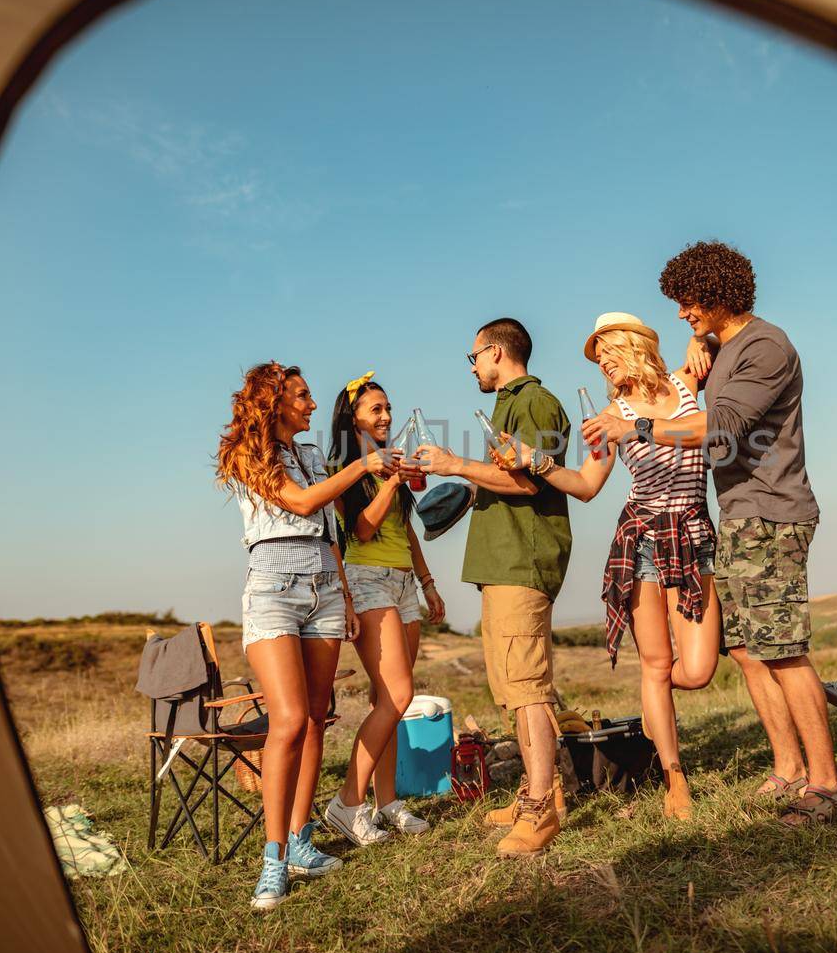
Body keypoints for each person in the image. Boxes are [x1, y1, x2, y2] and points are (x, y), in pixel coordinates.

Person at [584, 242, 837, 821]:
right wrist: (697, 342)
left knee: (782, 652)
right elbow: (698, 358)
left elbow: (723, 427)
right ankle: (788, 769)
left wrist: (644, 427)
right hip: (738, 514)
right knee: (749, 650)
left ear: (718, 294)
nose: (682, 313)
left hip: (773, 511)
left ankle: (826, 782)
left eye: (688, 303)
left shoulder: (766, 346)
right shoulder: (725, 345)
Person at [503, 312, 719, 819]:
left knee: (698, 669)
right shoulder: (607, 416)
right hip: (641, 537)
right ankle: (675, 779)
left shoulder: (687, 383)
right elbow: (586, 485)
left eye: (609, 355)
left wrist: (697, 336)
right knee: (655, 665)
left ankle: (654, 708)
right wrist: (535, 461)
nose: (604, 367)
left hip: (691, 533)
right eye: (600, 362)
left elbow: (707, 423)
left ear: (636, 346)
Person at [215, 361, 400, 911]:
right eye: (301, 395)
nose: (312, 404)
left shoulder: (315, 455)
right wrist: (366, 464)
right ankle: (272, 859)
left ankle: (299, 841)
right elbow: (300, 503)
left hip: (323, 586)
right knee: (289, 719)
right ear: (274, 401)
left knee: (318, 716)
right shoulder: (251, 453)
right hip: (272, 587)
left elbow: (330, 534)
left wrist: (343, 594)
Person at [412, 318, 573, 856]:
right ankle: (536, 787)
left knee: (526, 686)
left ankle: (542, 809)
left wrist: (455, 464)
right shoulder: (510, 405)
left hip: (520, 560)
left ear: (496, 352)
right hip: (503, 560)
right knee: (512, 685)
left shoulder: (534, 403)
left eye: (473, 357)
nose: (472, 367)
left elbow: (529, 481)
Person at [324, 372, 446, 844]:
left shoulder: (389, 465)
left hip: (402, 583)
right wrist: (392, 480)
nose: (387, 416)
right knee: (397, 694)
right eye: (376, 409)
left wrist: (427, 582)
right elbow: (364, 531)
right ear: (352, 417)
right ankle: (346, 804)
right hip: (366, 579)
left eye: (388, 408)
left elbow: (405, 531)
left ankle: (387, 802)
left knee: (388, 702)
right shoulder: (346, 471)